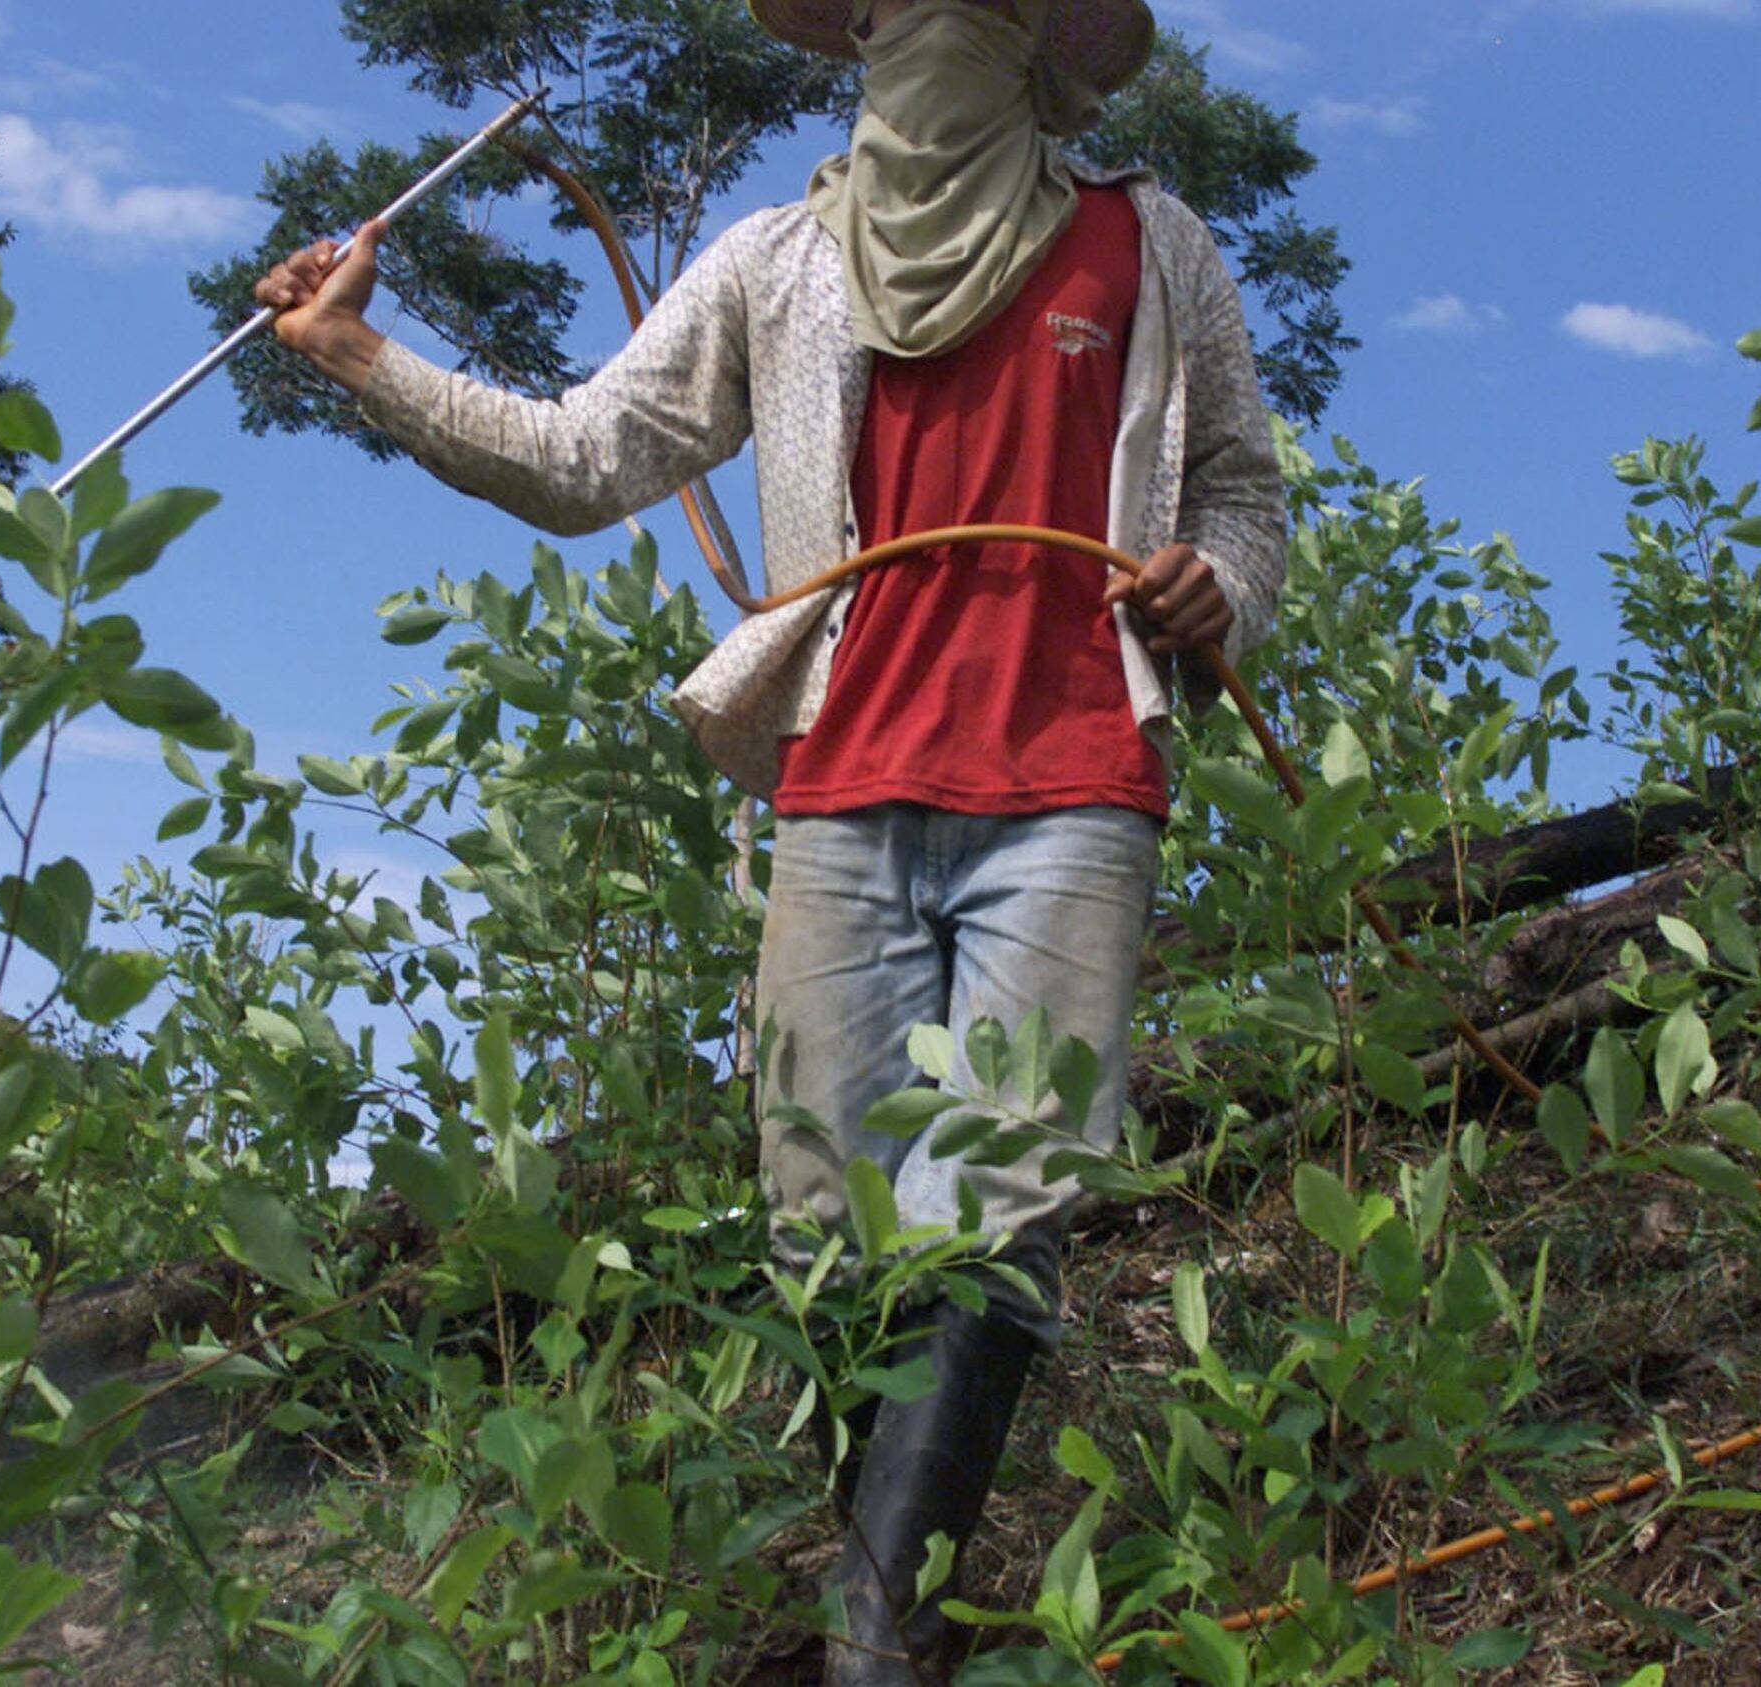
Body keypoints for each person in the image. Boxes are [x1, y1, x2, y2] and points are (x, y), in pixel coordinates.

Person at [256, 0, 1285, 1676]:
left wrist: (1214, 582)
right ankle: (889, 1608)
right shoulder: (775, 265)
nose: (930, 38)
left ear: (1034, 45)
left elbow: (1242, 492)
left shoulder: (1153, 244)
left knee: (1009, 1193)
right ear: (860, 42)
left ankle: (879, 1647)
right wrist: (360, 355)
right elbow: (589, 458)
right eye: (899, 10)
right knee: (823, 1223)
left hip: (1074, 782)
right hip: (842, 786)